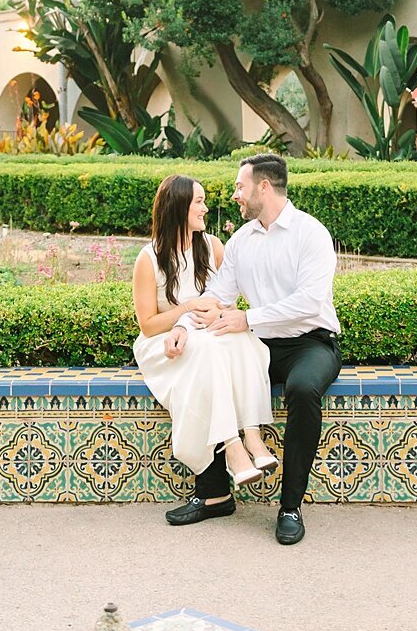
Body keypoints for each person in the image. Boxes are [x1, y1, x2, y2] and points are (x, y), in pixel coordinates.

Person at [163, 152, 342, 546]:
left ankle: (290, 507)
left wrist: (248, 318)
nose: (234, 195)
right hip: (258, 345)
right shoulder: (241, 241)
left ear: (264, 186)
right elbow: (215, 297)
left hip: (310, 344)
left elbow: (310, 302)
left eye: (240, 187)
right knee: (207, 361)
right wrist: (181, 328)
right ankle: (214, 494)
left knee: (302, 390)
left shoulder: (311, 234)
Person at [133, 174, 277, 485]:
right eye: (199, 202)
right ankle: (233, 447)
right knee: (209, 349)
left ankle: (252, 434)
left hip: (205, 332)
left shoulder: (212, 246)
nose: (206, 208)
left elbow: (226, 302)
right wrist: (186, 310)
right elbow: (147, 326)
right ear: (179, 207)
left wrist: (214, 314)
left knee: (243, 337)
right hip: (165, 343)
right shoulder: (149, 259)